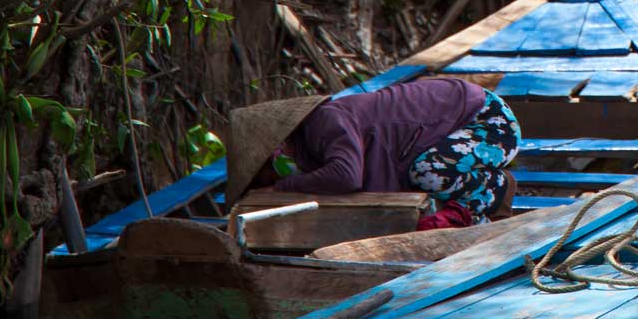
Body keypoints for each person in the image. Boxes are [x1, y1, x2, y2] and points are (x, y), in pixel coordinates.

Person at [224, 76, 523, 231]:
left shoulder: (325, 121)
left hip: (487, 122)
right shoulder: (308, 148)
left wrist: (281, 187)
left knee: (429, 174)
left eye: (271, 169)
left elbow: (346, 176)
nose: (279, 173)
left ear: (280, 146)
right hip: (446, 138)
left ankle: (495, 188)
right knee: (426, 177)